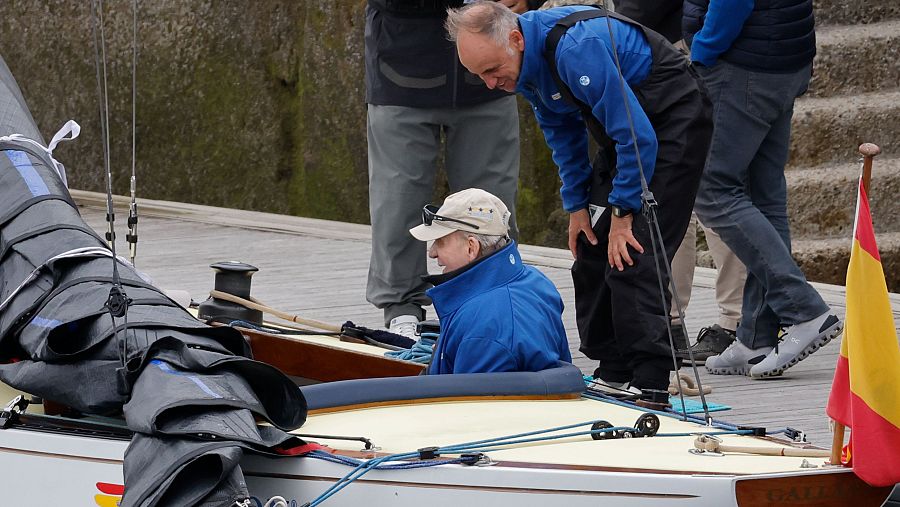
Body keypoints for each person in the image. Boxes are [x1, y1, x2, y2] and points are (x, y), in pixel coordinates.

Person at [446, 2, 712, 394]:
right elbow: (562, 132)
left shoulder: (575, 48)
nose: (490, 83)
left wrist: (623, 212)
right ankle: (613, 369)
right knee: (591, 248)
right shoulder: (523, 64)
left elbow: (638, 138)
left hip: (673, 120)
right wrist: (577, 206)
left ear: (516, 40)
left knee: (634, 253)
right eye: (478, 76)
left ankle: (650, 381)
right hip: (625, 129)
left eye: (491, 70)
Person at [365, 0, 546, 339]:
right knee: (397, 203)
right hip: (401, 71)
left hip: (490, 79)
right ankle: (402, 310)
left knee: (493, 206)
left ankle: (494, 304)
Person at [685, 0, 842, 377]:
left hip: (743, 66)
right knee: (764, 196)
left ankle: (804, 311)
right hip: (781, 58)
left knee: (711, 190)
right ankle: (756, 336)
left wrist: (701, 54)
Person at [614, 0, 744, 363]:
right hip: (641, 50)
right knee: (665, 192)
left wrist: (611, 31)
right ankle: (667, 317)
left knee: (713, 193)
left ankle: (736, 320)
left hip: (676, 51)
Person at [408, 188, 572, 374]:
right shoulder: (538, 282)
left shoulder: (482, 329)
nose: (432, 253)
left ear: (471, 247)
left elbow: (465, 400)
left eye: (440, 241)